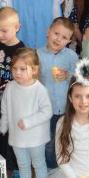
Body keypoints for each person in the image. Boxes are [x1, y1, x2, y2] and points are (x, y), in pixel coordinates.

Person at [0, 48, 53, 178]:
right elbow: (5, 108)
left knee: (38, 164)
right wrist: (3, 125)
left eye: (23, 69)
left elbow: (47, 111)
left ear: (34, 69)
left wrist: (28, 122)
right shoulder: (10, 87)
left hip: (36, 137)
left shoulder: (39, 89)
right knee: (22, 164)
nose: (17, 72)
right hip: (17, 137)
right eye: (15, 68)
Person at [37, 18, 79, 168]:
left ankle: (66, 167)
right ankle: (51, 169)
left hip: (65, 107)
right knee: (48, 141)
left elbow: (79, 76)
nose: (58, 39)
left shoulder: (71, 56)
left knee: (65, 138)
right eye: (56, 33)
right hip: (45, 107)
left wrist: (68, 75)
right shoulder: (36, 55)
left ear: (69, 41)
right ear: (48, 32)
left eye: (64, 37)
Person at [0, 7, 26, 92]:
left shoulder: (21, 49)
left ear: (17, 27)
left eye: (4, 31)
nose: (0, 35)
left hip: (11, 92)